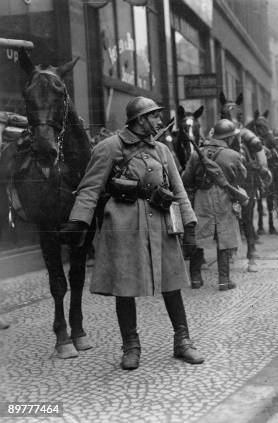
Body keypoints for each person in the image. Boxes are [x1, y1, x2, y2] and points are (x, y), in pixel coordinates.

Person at [61, 96, 204, 370]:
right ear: (139, 120)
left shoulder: (162, 150)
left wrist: (189, 224)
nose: (159, 121)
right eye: (154, 116)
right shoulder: (109, 147)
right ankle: (131, 346)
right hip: (124, 224)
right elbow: (90, 188)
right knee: (124, 288)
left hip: (161, 223)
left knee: (172, 283)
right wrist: (78, 221)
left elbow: (178, 189)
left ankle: (183, 342)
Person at [182, 119, 247, 291]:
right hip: (224, 197)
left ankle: (195, 278)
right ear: (230, 138)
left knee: (199, 236)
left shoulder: (197, 153)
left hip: (202, 198)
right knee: (224, 236)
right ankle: (224, 280)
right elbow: (241, 178)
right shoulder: (233, 155)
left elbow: (186, 179)